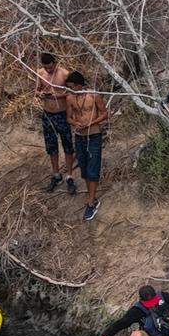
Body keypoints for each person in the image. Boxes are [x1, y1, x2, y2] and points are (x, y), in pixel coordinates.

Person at [64, 71, 108, 221]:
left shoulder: (93, 95)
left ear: (79, 85)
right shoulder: (70, 98)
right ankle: (91, 197)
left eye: (72, 87)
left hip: (94, 135)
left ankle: (91, 201)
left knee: (93, 167)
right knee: (84, 168)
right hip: (80, 136)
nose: (71, 90)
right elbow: (69, 117)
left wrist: (91, 123)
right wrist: (76, 123)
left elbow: (104, 113)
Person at [34, 52, 76, 194]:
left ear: (55, 63)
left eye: (51, 68)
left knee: (67, 145)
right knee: (51, 147)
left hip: (62, 114)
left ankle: (70, 176)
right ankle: (56, 175)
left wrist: (60, 95)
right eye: (47, 68)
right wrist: (40, 94)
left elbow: (73, 91)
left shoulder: (64, 74)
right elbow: (36, 90)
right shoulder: (40, 73)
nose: (49, 70)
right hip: (48, 114)